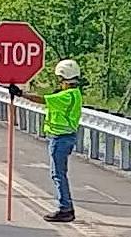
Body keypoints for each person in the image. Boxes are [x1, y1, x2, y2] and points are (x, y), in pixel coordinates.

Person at [9, 59, 83, 223]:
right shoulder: (75, 94)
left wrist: (21, 94)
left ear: (63, 78)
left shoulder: (66, 96)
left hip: (60, 138)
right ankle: (66, 207)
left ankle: (65, 208)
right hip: (65, 137)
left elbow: (42, 100)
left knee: (58, 174)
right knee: (59, 173)